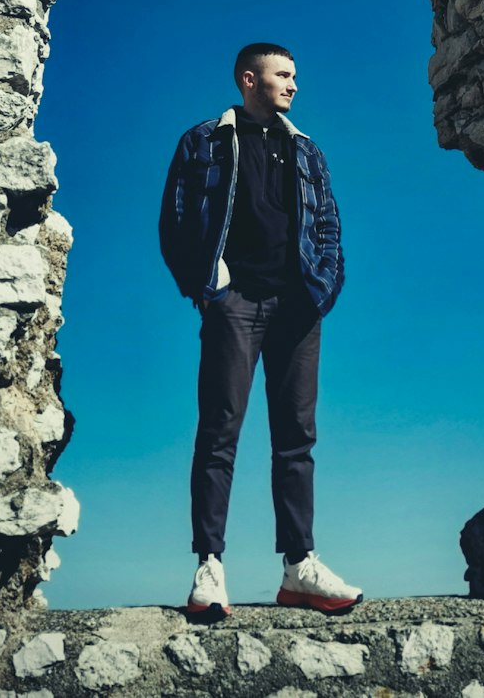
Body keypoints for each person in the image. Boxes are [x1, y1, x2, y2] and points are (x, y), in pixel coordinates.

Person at [159, 42, 362, 620]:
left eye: (296, 75)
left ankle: (300, 567)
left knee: (297, 437)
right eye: (283, 75)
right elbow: (174, 221)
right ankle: (209, 568)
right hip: (236, 303)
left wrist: (321, 289)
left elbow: (328, 225)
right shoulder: (203, 142)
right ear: (250, 80)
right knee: (220, 431)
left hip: (298, 307)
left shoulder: (306, 150)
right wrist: (209, 287)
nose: (294, 85)